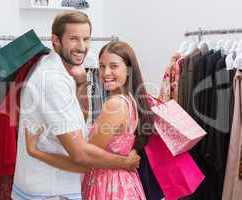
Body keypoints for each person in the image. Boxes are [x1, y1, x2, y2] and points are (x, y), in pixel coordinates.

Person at [11, 11, 141, 200]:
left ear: (128, 70)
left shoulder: (63, 71)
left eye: (86, 39)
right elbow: (81, 156)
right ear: (56, 40)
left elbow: (77, 121)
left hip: (101, 185)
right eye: (74, 38)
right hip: (52, 191)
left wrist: (80, 84)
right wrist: (124, 162)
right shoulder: (54, 79)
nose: (82, 47)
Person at [25, 41, 154, 199]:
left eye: (113, 66)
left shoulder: (115, 105)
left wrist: (36, 151)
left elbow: (83, 161)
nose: (105, 73)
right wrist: (81, 83)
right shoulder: (130, 99)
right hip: (123, 183)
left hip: (109, 187)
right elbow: (83, 116)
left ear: (128, 70)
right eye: (101, 66)